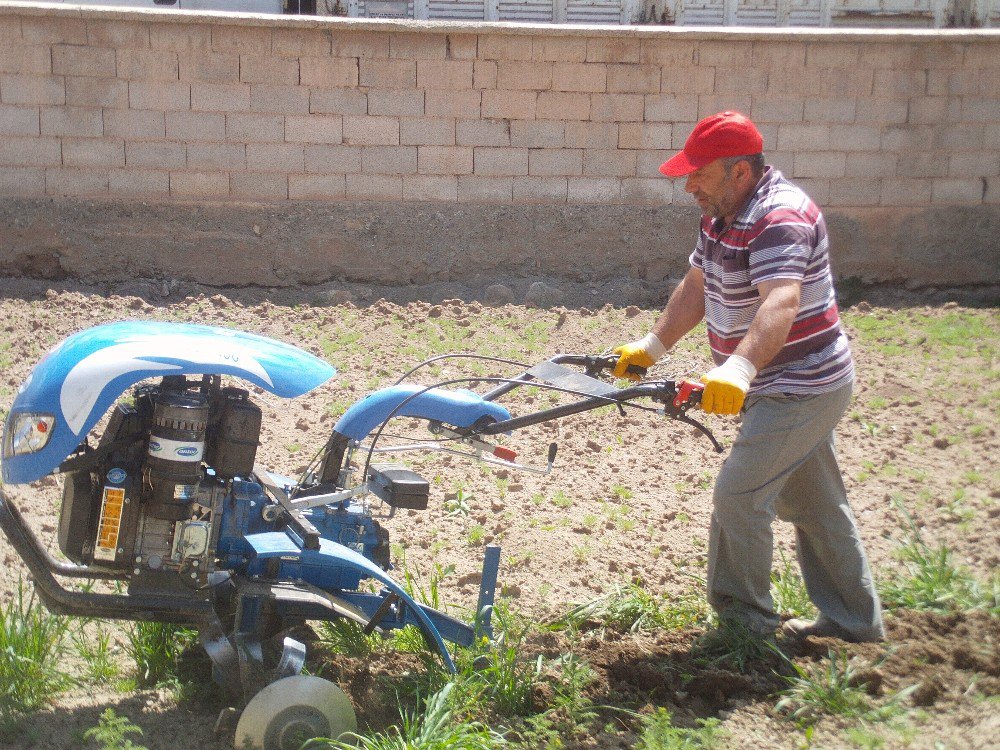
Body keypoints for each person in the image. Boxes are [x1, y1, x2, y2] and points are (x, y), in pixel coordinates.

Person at [613, 111, 884, 644]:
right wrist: (653, 345)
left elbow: (782, 299)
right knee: (816, 503)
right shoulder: (721, 212)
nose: (688, 184)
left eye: (699, 174)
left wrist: (739, 366)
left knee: (738, 494)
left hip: (801, 386)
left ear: (740, 171)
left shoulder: (778, 216)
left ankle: (745, 627)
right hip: (776, 384)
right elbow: (698, 282)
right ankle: (855, 624)